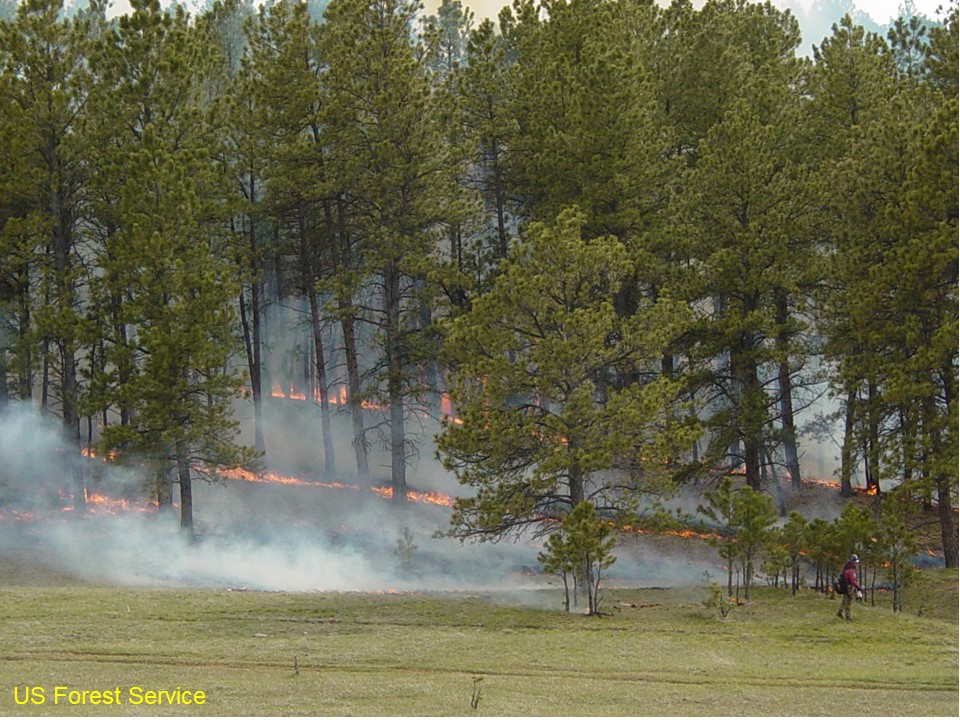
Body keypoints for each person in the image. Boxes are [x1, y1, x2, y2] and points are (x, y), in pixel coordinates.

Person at [836, 554, 863, 621]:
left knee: (844, 600)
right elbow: (853, 581)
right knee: (848, 602)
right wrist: (859, 587)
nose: (856, 564)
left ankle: (839, 612)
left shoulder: (846, 568)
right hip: (849, 587)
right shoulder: (851, 571)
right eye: (855, 563)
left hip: (845, 586)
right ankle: (848, 617)